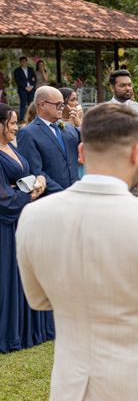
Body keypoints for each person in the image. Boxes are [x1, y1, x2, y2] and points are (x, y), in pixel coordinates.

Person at [16, 103, 138, 401]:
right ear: (135, 153)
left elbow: (39, 299)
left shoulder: (33, 217)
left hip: (74, 390)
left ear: (80, 152)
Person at [0, 104, 52, 353]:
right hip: (5, 226)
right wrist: (30, 195)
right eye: (10, 123)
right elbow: (4, 198)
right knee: (8, 276)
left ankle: (27, 329)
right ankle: (9, 334)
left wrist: (38, 180)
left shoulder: (10, 147)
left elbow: (24, 174)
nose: (15, 127)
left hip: (21, 220)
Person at [17, 86, 80, 195]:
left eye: (63, 104)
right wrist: (62, 194)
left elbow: (91, 139)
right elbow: (35, 171)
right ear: (42, 104)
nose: (62, 107)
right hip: (51, 197)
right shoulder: (28, 133)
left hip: (75, 193)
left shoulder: (68, 127)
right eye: (58, 104)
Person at [107, 69, 138, 163]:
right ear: (112, 88)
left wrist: (136, 160)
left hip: (137, 164)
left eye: (129, 85)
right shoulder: (103, 110)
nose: (128, 88)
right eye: (122, 85)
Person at [14, 56, 36, 121]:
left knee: (31, 104)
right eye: (22, 61)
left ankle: (32, 118)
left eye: (25, 61)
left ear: (27, 62)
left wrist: (32, 86)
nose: (24, 62)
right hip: (22, 89)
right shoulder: (17, 70)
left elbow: (34, 78)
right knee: (23, 104)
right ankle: (21, 119)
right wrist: (25, 87)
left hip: (31, 89)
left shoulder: (30, 69)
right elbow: (18, 80)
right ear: (20, 62)